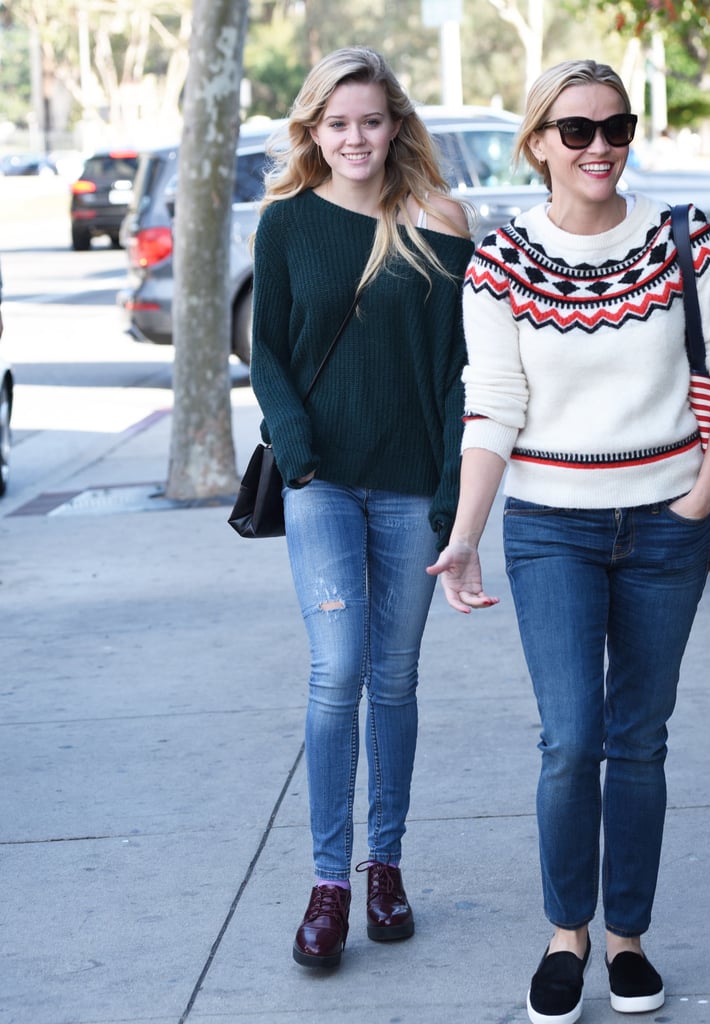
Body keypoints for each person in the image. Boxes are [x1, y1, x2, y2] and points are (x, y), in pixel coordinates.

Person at [427, 59, 710, 1024]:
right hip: (550, 531)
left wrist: (700, 495)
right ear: (538, 143)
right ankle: (564, 934)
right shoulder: (499, 262)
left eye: (614, 127)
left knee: (639, 740)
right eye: (575, 131)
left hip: (666, 525)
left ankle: (625, 941)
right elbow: (491, 407)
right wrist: (466, 535)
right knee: (571, 738)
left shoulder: (682, 239)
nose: (599, 148)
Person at [249, 46, 474, 972]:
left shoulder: (436, 219)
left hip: (415, 486)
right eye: (336, 123)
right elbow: (266, 354)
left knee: (397, 679)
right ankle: (328, 883)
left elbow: (464, 371)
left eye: (370, 120)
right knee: (337, 668)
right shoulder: (287, 223)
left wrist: (459, 492)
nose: (355, 138)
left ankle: (386, 866)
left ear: (395, 124)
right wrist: (298, 454)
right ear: (312, 130)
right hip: (324, 485)